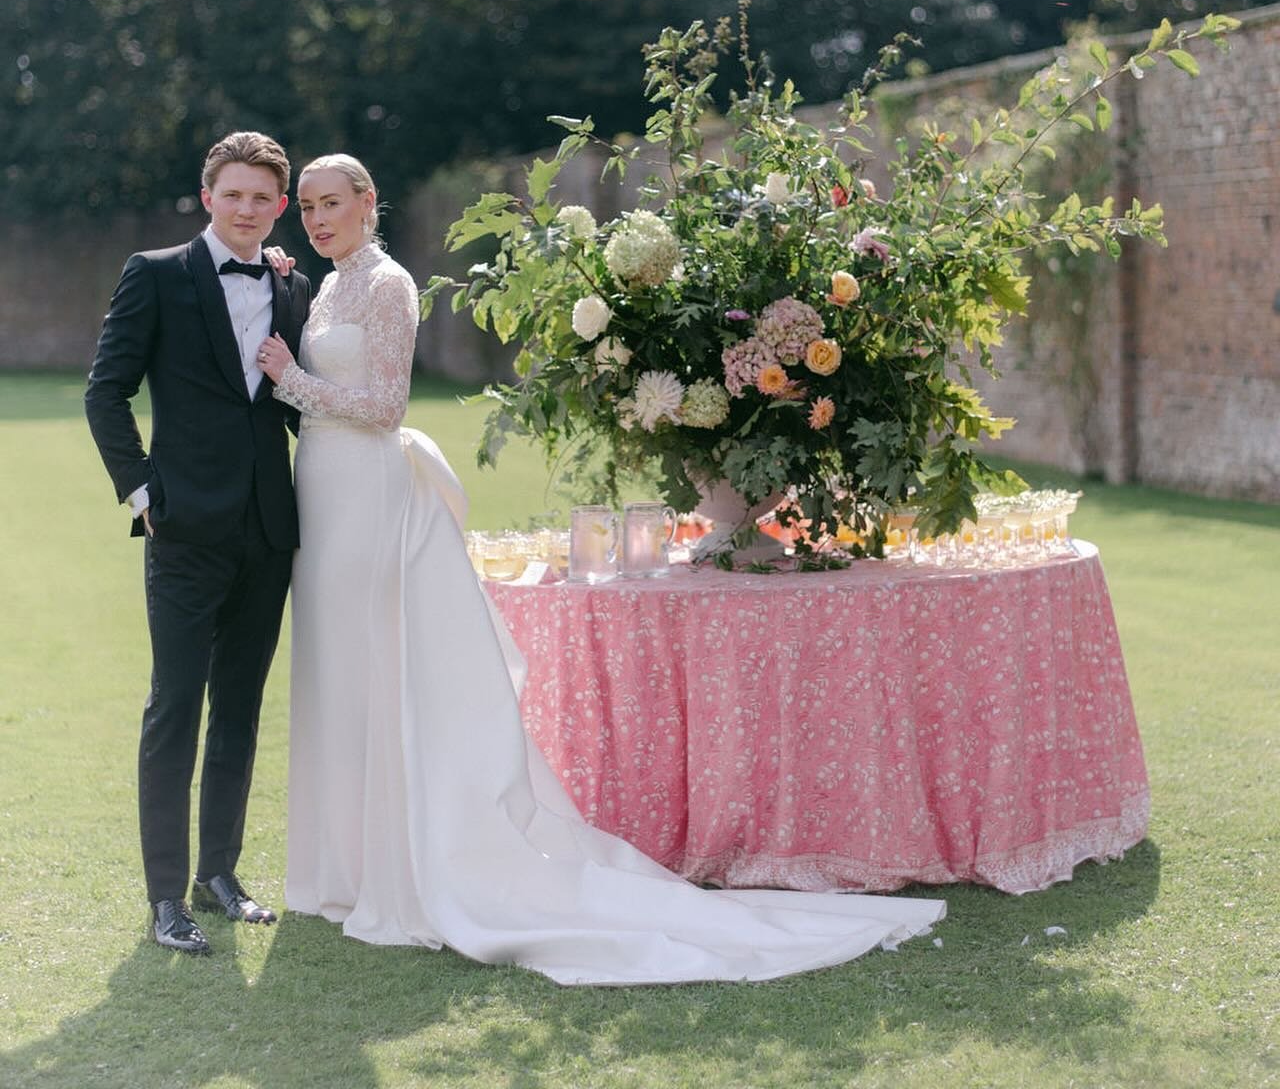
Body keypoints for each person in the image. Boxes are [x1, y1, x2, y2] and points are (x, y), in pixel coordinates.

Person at [256, 154, 945, 985]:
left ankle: (411, 863)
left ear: (369, 202)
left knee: (382, 667)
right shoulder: (324, 286)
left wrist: (293, 381)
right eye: (308, 207)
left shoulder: (390, 285)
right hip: (321, 500)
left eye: (333, 204)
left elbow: (388, 406)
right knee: (340, 674)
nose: (319, 219)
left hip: (368, 496)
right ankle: (351, 866)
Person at [85, 131, 312, 955]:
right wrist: (145, 492)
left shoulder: (293, 288)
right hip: (182, 529)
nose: (248, 209)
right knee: (174, 707)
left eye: (263, 198)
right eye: (234, 194)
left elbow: (293, 402)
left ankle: (219, 875)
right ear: (208, 195)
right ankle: (163, 899)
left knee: (242, 710)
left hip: (268, 530)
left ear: (279, 208)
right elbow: (105, 392)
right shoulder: (155, 273)